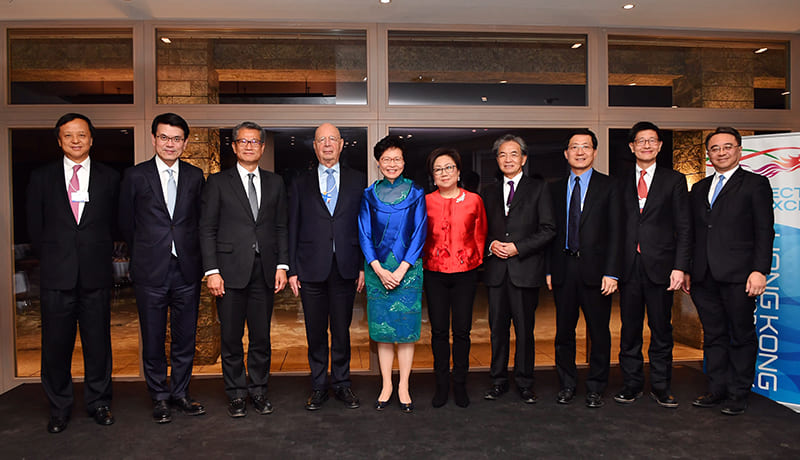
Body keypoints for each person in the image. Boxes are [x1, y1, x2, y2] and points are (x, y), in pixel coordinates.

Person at [27, 113, 119, 433]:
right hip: (57, 277)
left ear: (91, 139)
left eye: (82, 135)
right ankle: (59, 407)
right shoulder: (42, 177)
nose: (76, 141)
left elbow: (117, 223)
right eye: (69, 136)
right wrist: (57, 258)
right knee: (55, 345)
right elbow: (34, 229)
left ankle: (99, 402)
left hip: (95, 276)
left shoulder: (110, 178)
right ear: (59, 141)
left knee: (98, 344)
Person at [119, 113, 206, 423]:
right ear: (154, 139)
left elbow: (198, 222)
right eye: (165, 137)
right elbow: (126, 223)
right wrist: (147, 251)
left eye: (177, 138)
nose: (170, 143)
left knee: (185, 337)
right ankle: (159, 396)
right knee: (153, 337)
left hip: (186, 270)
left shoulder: (196, 176)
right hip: (150, 271)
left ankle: (180, 392)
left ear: (185, 142)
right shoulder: (135, 176)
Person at [199, 121, 289, 418]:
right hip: (228, 272)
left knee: (261, 337)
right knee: (231, 338)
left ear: (263, 147)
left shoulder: (275, 182)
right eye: (243, 141)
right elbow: (207, 228)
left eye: (255, 142)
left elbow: (280, 227)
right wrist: (212, 270)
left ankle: (259, 390)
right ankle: (236, 393)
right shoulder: (218, 182)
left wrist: (282, 265)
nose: (249, 146)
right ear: (235, 146)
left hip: (264, 271)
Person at [686, 126, 774, 416]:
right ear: (708, 154)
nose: (721, 152)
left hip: (739, 275)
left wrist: (759, 270)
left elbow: (764, 231)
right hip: (703, 276)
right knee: (713, 335)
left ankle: (739, 392)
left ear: (739, 150)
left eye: (727, 147)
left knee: (741, 334)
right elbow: (693, 233)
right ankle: (717, 388)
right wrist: (687, 269)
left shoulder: (755, 184)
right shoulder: (699, 188)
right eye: (715, 148)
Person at [288, 123, 366, 411]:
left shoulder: (359, 181)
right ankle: (319, 386)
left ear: (342, 144)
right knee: (315, 331)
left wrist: (361, 266)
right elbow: (292, 226)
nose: (328, 144)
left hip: (345, 267)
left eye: (333, 139)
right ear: (315, 146)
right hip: (310, 269)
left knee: (342, 331)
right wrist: (293, 269)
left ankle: (343, 384)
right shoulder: (299, 182)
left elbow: (363, 228)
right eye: (322, 140)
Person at [614, 121, 691, 409]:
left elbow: (684, 228)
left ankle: (661, 386)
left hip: (662, 268)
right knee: (629, 330)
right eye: (640, 141)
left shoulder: (674, 180)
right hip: (629, 267)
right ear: (632, 146)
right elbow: (614, 229)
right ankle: (631, 384)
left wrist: (680, 266)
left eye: (652, 140)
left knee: (661, 329)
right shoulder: (619, 181)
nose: (646, 145)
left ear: (659, 145)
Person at [547, 129, 621, 409]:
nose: (580, 152)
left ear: (594, 152)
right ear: (566, 153)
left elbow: (616, 232)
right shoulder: (554, 188)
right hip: (564, 268)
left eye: (586, 147)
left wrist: (612, 272)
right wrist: (549, 270)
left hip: (598, 271)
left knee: (599, 332)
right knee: (563, 332)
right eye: (574, 147)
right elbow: (550, 232)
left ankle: (596, 387)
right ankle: (566, 384)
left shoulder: (610, 186)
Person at [480, 135, 555, 404]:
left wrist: (517, 247)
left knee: (524, 331)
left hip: (524, 270)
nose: (508, 159)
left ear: (523, 158)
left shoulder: (538, 188)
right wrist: (491, 245)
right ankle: (498, 380)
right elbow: (479, 231)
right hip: (497, 272)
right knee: (497, 331)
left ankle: (525, 382)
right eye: (502, 155)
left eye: (513, 154)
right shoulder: (487, 192)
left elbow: (548, 229)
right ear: (497, 160)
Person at [358, 136, 427, 413]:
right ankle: (386, 384)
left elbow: (421, 231)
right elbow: (363, 233)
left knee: (406, 331)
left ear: (404, 162)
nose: (392, 164)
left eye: (396, 159)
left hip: (407, 271)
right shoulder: (368, 194)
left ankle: (404, 385)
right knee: (383, 332)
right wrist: (376, 267)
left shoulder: (416, 192)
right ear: (378, 162)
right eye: (386, 159)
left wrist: (401, 268)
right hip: (376, 271)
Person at [423, 147, 487, 408]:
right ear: (433, 176)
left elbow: (481, 234)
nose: (444, 173)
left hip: (465, 274)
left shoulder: (474, 200)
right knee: (438, 332)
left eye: (449, 167)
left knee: (462, 331)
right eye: (438, 169)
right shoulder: (425, 201)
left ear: (458, 172)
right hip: (434, 273)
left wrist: (474, 261)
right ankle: (441, 385)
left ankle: (460, 384)